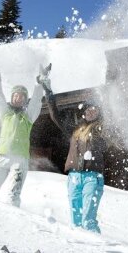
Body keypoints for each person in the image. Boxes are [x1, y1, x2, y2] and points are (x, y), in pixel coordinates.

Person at [0, 58, 48, 207]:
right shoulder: (6, 114)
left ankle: (15, 221)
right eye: (15, 96)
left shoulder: (28, 116)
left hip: (19, 159)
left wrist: (39, 83)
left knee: (14, 193)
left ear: (25, 100)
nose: (18, 98)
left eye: (21, 97)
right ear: (12, 98)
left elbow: (36, 100)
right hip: (2, 156)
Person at [43, 81, 108, 233]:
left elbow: (110, 129)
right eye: (88, 110)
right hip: (74, 177)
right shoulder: (75, 129)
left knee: (88, 219)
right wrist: (48, 93)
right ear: (84, 112)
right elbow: (55, 116)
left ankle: (98, 250)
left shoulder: (101, 130)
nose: (91, 112)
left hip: (92, 177)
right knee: (76, 220)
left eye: (95, 110)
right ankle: (81, 249)